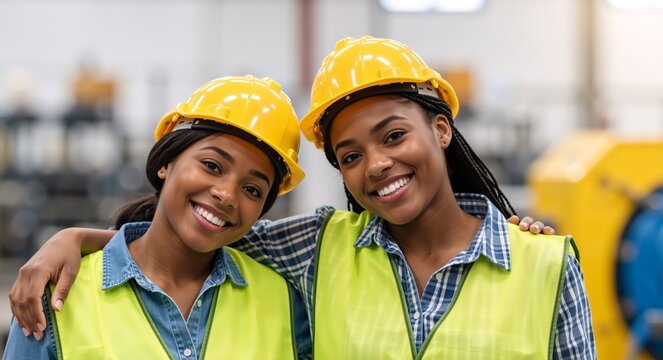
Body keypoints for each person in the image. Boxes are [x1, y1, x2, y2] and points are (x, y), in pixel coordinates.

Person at [8, 37, 571, 358]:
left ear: (442, 129)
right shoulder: (319, 254)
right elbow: (192, 239)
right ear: (165, 160)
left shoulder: (543, 267)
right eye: (349, 155)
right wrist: (76, 240)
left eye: (394, 135)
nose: (376, 164)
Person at [3, 75, 306, 359]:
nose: (227, 195)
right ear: (166, 162)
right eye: (212, 166)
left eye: (252, 189)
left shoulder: (284, 302)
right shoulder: (59, 294)